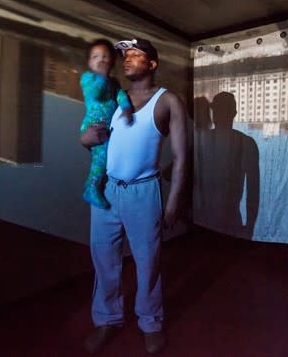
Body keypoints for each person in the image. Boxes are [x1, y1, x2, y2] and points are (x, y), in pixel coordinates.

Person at [80, 38, 187, 354]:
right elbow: (93, 136)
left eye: (135, 55)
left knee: (147, 262)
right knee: (104, 260)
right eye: (124, 55)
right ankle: (106, 320)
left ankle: (150, 322)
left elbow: (182, 157)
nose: (126, 60)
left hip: (143, 193)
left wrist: (173, 203)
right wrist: (83, 139)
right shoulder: (115, 96)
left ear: (152, 64)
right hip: (107, 191)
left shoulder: (167, 102)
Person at [79, 39, 133, 209]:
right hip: (94, 126)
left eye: (105, 57)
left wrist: (126, 108)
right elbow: (94, 94)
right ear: (89, 62)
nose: (100, 60)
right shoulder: (88, 78)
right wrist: (101, 76)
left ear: (112, 62)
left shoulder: (114, 83)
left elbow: (120, 95)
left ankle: (97, 185)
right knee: (101, 158)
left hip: (107, 128)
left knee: (107, 156)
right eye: (95, 57)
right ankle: (91, 187)